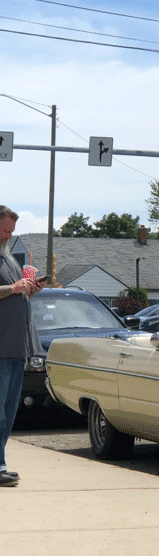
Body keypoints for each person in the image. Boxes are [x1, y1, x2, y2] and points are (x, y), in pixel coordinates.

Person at [0, 206, 46, 487]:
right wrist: (13, 288)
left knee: (8, 410)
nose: (9, 236)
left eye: (11, 232)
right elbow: (11, 291)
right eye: (5, 230)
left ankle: (1, 463)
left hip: (17, 347)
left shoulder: (8, 258)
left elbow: (19, 293)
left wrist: (31, 289)